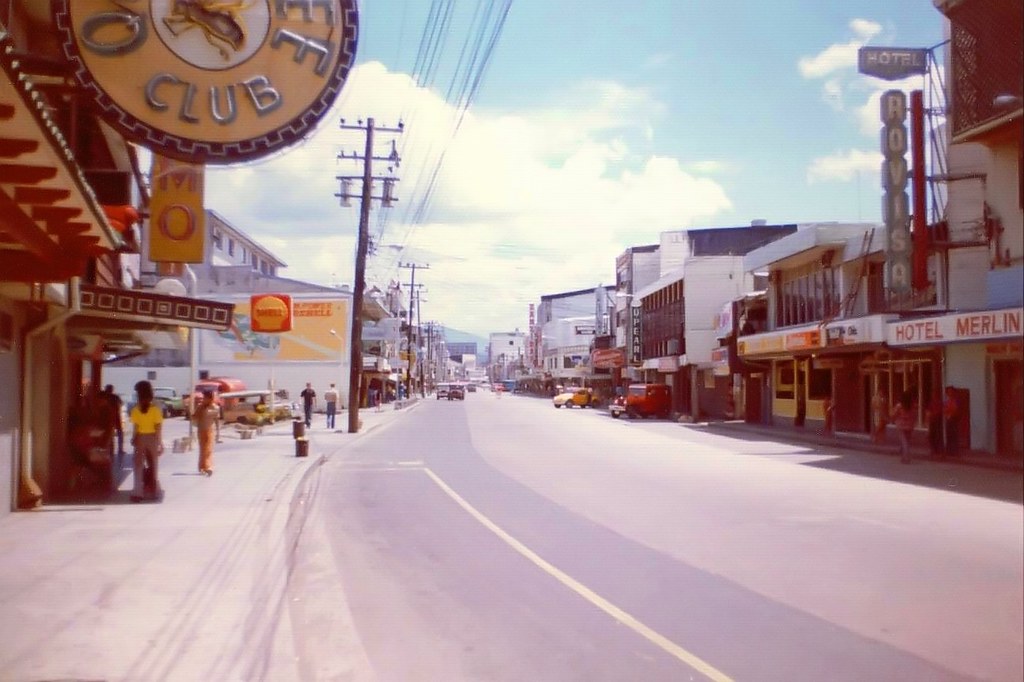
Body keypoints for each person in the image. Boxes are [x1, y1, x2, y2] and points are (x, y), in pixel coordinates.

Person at [129, 380, 164, 502]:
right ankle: (155, 492)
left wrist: (134, 438)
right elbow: (158, 427)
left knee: (138, 466)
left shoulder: (135, 410)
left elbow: (136, 427)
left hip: (140, 438)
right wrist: (160, 443)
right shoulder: (155, 409)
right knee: (154, 464)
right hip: (153, 438)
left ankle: (138, 493)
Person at [191, 390, 219, 476]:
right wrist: (194, 408)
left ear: (210, 398)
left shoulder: (216, 407)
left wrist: (218, 432)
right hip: (201, 430)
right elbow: (194, 417)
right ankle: (202, 467)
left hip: (210, 430)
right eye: (204, 398)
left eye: (206, 398)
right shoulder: (200, 407)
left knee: (208, 449)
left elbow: (217, 420)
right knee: (203, 449)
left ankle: (208, 467)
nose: (204, 399)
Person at [101, 385, 125, 459]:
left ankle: (111, 450)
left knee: (110, 434)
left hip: (108, 418)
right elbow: (121, 403)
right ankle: (120, 449)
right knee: (119, 433)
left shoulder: (104, 396)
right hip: (116, 417)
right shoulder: (115, 397)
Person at [892, 391, 916, 464]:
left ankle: (906, 457)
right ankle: (904, 456)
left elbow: (894, 414)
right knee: (907, 441)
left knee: (904, 442)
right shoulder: (912, 406)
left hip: (901, 425)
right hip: (909, 425)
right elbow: (915, 415)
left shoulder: (899, 406)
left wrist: (893, 419)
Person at [926, 391, 945, 459]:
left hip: (935, 420)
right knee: (934, 436)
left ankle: (935, 450)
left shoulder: (938, 403)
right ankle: (935, 450)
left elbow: (929, 412)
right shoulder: (937, 403)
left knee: (935, 436)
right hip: (934, 420)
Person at [943, 386, 960, 459]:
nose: (949, 393)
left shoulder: (955, 400)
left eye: (951, 391)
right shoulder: (946, 400)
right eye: (948, 391)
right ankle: (949, 451)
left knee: (954, 435)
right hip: (948, 418)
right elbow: (944, 409)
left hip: (953, 419)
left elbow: (956, 409)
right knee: (949, 435)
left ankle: (954, 451)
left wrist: (950, 413)